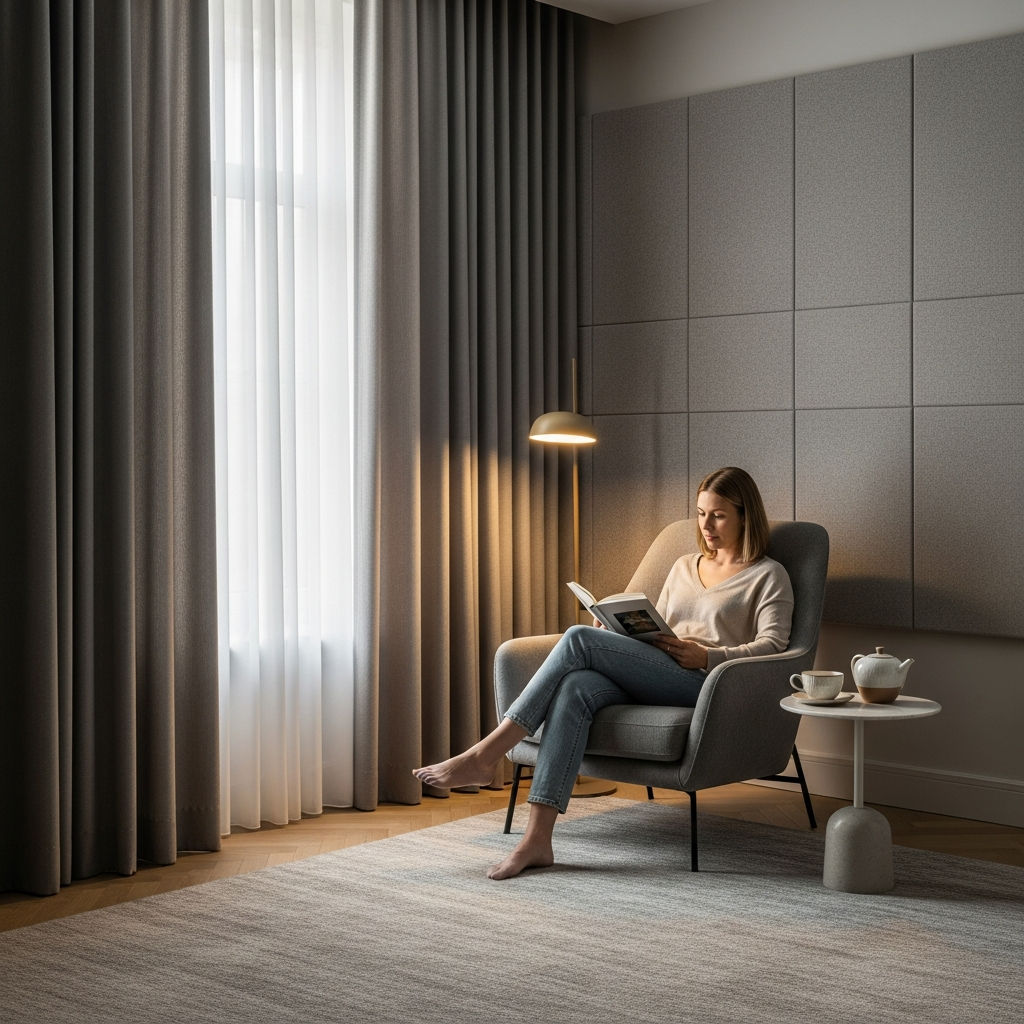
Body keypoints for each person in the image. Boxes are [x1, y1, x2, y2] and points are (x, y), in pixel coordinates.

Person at [413, 467, 794, 879]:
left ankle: (484, 754)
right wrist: (619, 631)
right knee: (576, 686)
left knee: (578, 640)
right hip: (659, 670)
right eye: (701, 513)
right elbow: (660, 624)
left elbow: (775, 647)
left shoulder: (768, 575)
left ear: (744, 516)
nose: (706, 525)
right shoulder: (685, 565)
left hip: (708, 684)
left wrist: (706, 656)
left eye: (717, 515)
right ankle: (537, 839)